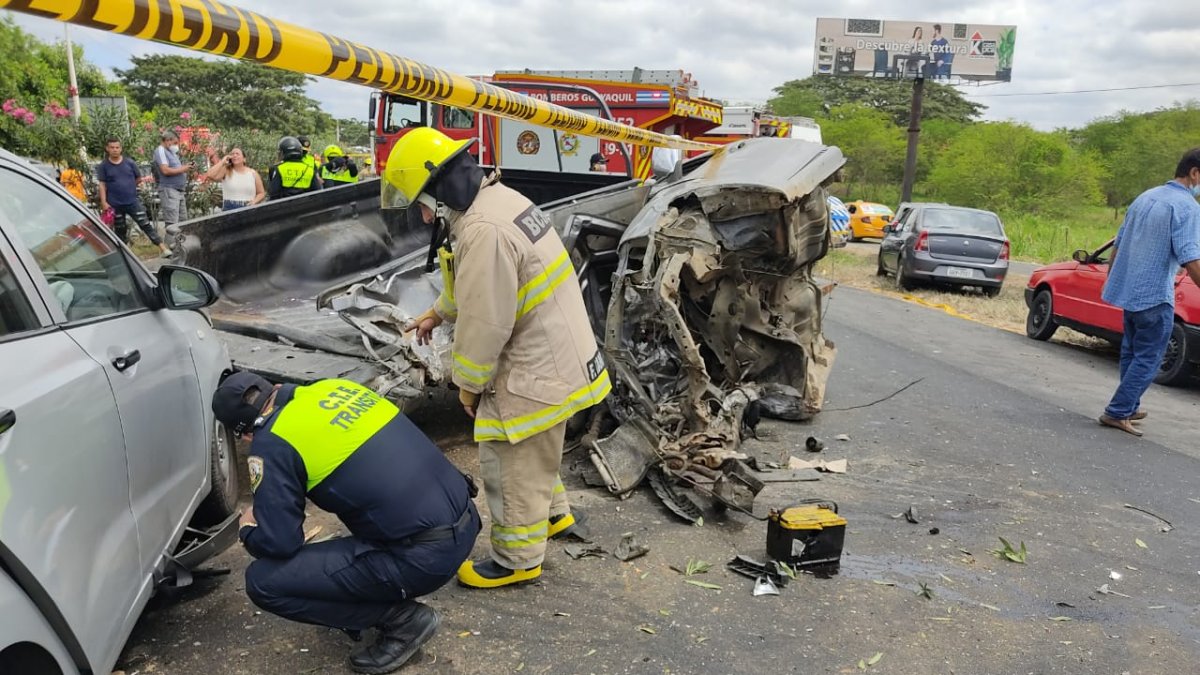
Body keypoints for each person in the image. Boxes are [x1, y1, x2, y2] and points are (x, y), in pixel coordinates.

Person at [390, 128, 609, 589]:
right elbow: (470, 282)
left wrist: (467, 386)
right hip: (563, 352)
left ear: (439, 192)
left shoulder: (484, 230)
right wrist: (436, 312)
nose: (423, 214)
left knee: (509, 456)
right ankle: (552, 516)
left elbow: (485, 322)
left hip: (535, 366)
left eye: (422, 203)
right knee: (537, 447)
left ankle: (517, 559)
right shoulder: (498, 200)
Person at [211, 371, 481, 673]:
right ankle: (379, 591)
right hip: (466, 520)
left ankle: (402, 621)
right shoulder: (335, 388)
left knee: (264, 582)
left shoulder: (272, 442)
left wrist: (248, 529)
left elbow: (280, 542)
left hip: (427, 558)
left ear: (244, 433)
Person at [1099, 148, 1200, 436]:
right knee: (1150, 357)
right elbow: (1190, 257)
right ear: (1194, 173)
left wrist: (1113, 278)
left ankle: (1128, 405)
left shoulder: (1146, 196)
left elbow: (1119, 241)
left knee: (1132, 352)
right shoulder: (1188, 207)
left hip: (1130, 292)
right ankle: (1117, 411)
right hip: (1155, 294)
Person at [96, 137, 174, 257]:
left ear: (121, 148)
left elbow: (138, 179)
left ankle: (163, 249)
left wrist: (128, 188)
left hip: (132, 202)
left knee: (145, 224)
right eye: (112, 147)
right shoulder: (103, 166)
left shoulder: (129, 163)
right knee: (120, 230)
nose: (115, 150)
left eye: (117, 147)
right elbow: (102, 185)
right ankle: (124, 256)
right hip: (114, 205)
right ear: (107, 149)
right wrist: (104, 202)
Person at [154, 130, 193, 229]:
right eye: (175, 143)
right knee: (173, 225)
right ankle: (170, 244)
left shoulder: (171, 152)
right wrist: (183, 169)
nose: (176, 146)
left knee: (183, 222)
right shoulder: (161, 150)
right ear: (168, 140)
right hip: (169, 190)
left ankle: (180, 244)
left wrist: (187, 167)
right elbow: (165, 170)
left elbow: (176, 169)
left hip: (179, 191)